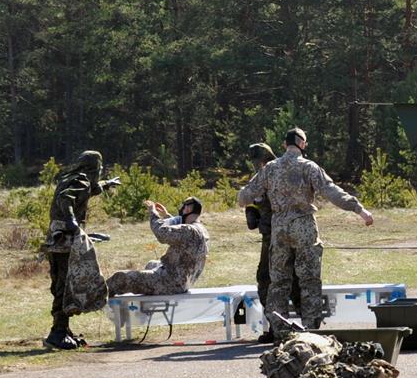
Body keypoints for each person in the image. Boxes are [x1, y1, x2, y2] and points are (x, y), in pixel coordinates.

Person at [238, 127, 374, 338]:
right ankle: (310, 331)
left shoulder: (269, 169)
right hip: (303, 226)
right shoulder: (309, 167)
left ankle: (280, 331)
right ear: (302, 144)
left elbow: (245, 196)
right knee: (308, 279)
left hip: (279, 227)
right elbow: (332, 191)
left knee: (279, 282)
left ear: (284, 145)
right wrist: (359, 209)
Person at [41, 150, 120, 350]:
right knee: (65, 288)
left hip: (56, 242)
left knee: (62, 286)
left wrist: (106, 184)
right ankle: (57, 333)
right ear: (96, 167)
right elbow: (67, 199)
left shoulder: (73, 178)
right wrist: (72, 221)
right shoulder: (81, 181)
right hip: (65, 243)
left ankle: (62, 329)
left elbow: (86, 191)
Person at [245, 142, 303, 343]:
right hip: (269, 237)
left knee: (294, 278)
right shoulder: (258, 179)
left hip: (286, 234)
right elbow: (252, 202)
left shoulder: (279, 174)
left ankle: (304, 327)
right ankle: (276, 326)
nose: (258, 165)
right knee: (265, 279)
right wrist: (252, 211)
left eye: (260, 161)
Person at [106, 197, 209, 296]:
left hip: (169, 283)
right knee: (151, 264)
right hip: (182, 280)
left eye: (184, 206)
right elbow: (180, 233)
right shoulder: (201, 230)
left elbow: (162, 233)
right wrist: (166, 216)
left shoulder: (189, 231)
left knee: (120, 278)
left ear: (189, 209)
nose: (181, 209)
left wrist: (153, 212)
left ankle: (94, 297)